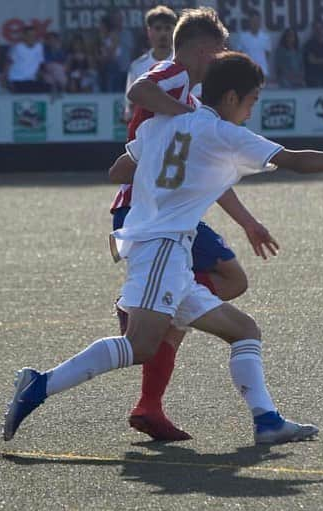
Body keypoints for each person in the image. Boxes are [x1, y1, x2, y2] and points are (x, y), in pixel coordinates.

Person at [2, 51, 323, 445]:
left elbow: (119, 171)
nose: (251, 111)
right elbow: (297, 161)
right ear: (231, 98)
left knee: (244, 331)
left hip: (168, 253)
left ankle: (267, 421)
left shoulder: (165, 123)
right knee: (141, 346)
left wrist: (169, 178)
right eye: (252, 102)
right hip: (162, 248)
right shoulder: (223, 132)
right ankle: (39, 385)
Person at [119, 7, 276, 442]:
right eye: (221, 53)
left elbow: (203, 166)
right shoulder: (174, 76)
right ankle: (141, 309)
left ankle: (150, 400)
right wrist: (182, 117)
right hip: (150, 208)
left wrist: (247, 221)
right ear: (207, 52)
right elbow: (139, 89)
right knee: (229, 277)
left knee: (212, 288)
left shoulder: (189, 95)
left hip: (158, 204)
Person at [124, 6, 178, 123]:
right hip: (147, 132)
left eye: (167, 28)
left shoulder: (183, 62)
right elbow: (130, 105)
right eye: (158, 28)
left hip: (178, 130)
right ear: (149, 31)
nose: (163, 33)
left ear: (175, 31)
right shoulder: (137, 66)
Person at [1, 26, 49, 93]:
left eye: (34, 35)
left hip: (32, 80)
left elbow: (40, 64)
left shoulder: (39, 47)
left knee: (49, 89)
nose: (32, 37)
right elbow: (8, 63)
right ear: (24, 36)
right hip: (17, 80)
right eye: (29, 35)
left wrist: (43, 76)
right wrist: (3, 79)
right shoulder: (17, 47)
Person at [235, 12, 271, 80]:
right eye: (253, 21)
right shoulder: (243, 37)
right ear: (249, 22)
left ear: (260, 22)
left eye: (257, 20)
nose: (255, 23)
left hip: (262, 71)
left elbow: (267, 54)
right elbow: (239, 54)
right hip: (247, 72)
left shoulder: (265, 37)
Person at [303, 21, 323, 87]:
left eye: (321, 28)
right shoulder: (309, 44)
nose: (319, 31)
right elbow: (312, 60)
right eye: (317, 29)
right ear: (313, 30)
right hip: (314, 77)